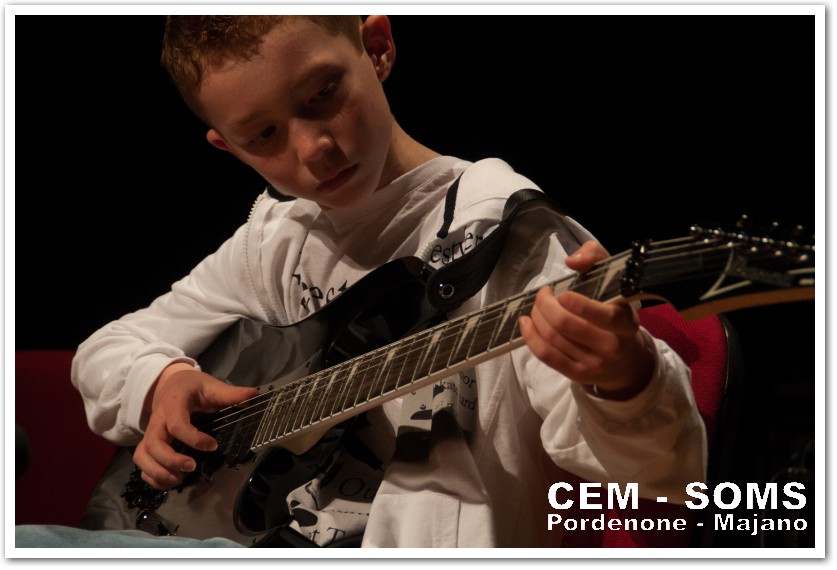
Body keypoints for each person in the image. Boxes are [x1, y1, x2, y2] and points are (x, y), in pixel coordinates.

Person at [17, 15, 705, 549]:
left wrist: (625, 381)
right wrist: (161, 382)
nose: (313, 149)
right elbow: (105, 350)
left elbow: (665, 481)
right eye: (264, 136)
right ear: (227, 146)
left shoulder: (511, 236)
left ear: (376, 47)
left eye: (323, 93)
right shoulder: (277, 240)